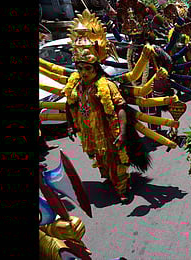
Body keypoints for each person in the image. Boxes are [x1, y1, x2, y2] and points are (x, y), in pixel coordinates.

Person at [62, 9, 148, 203]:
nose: (83, 73)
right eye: (80, 68)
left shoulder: (106, 85)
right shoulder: (75, 84)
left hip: (109, 132)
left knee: (114, 159)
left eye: (87, 68)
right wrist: (69, 125)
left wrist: (123, 132)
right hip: (89, 133)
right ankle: (109, 178)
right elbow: (70, 104)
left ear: (96, 68)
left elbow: (120, 108)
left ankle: (122, 188)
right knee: (99, 159)